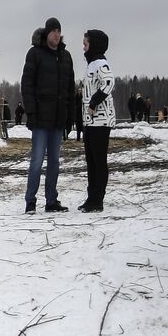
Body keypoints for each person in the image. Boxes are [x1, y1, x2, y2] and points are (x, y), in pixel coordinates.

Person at [20, 18, 75, 214]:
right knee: (36, 161)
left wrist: (70, 117)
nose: (56, 34)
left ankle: (51, 200)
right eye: (53, 31)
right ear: (46, 33)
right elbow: (27, 86)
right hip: (41, 119)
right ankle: (30, 201)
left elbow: (70, 90)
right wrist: (31, 112)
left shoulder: (66, 56)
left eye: (59, 31)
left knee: (54, 161)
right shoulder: (35, 54)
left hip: (58, 119)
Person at [80, 30, 115, 212]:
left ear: (93, 45)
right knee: (91, 161)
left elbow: (109, 83)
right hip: (90, 122)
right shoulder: (91, 64)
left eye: (85, 44)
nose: (83, 47)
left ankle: (97, 200)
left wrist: (93, 102)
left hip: (101, 121)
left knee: (99, 161)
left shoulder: (101, 63)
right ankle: (91, 197)